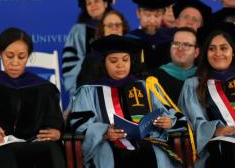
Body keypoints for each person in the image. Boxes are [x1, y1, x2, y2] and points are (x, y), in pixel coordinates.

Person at [70, 35, 180, 168]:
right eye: (113, 61)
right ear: (103, 64)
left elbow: (166, 111)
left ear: (131, 62)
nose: (120, 65)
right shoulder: (88, 92)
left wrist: (167, 121)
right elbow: (79, 124)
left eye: (125, 60)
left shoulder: (145, 86)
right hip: (108, 144)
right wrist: (104, 132)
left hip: (146, 142)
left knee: (156, 155)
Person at [0, 27, 65, 168]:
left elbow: (56, 124)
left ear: (29, 56)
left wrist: (57, 133)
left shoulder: (43, 88)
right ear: (0, 54)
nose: (15, 63)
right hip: (0, 147)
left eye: (21, 57)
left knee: (51, 150)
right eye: (9, 56)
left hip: (35, 145)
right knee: (10, 155)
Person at [178, 22, 235, 167]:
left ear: (233, 52)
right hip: (216, 151)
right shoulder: (193, 85)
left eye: (224, 48)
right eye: (212, 49)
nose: (218, 54)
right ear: (205, 53)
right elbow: (193, 122)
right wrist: (214, 130)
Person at [62, 0, 114, 98]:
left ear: (105, 3)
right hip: (87, 84)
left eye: (96, 1)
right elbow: (71, 62)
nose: (93, 5)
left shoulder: (115, 25)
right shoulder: (78, 30)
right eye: (88, 3)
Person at [76, 9, 131, 87]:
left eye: (118, 25)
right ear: (102, 29)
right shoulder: (92, 58)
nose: (114, 28)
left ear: (123, 28)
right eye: (110, 25)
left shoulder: (132, 53)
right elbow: (85, 90)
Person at [127, 0, 180, 70]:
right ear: (138, 13)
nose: (152, 21)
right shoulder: (129, 40)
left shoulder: (170, 39)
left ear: (163, 15)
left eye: (157, 15)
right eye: (147, 15)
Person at [149, 27, 200, 103]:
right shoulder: (154, 77)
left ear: (196, 52)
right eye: (176, 44)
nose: (179, 48)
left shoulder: (204, 77)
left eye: (186, 45)